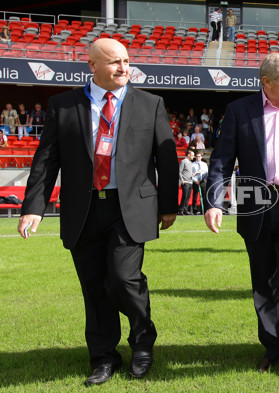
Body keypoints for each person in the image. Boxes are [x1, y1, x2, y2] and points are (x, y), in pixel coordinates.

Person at [17, 38, 179, 386]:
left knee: (123, 278)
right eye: (114, 62)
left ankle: (142, 342)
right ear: (92, 66)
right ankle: (103, 357)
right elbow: (46, 160)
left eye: (126, 60)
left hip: (130, 208)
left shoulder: (150, 104)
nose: (124, 68)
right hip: (83, 209)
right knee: (93, 286)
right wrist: (34, 207)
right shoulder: (62, 106)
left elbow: (166, 160)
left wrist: (168, 206)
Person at [204, 52, 279, 377]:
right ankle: (272, 345)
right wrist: (215, 201)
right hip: (253, 202)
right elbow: (222, 160)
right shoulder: (239, 111)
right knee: (263, 281)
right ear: (266, 82)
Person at [191, 149, 208, 215]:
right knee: (195, 196)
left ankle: (202, 210)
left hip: (202, 181)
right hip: (195, 181)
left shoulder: (204, 164)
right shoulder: (193, 164)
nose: (197, 157)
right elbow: (191, 173)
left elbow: (206, 172)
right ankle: (194, 210)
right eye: (197, 156)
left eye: (199, 156)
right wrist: (195, 180)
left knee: (204, 196)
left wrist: (203, 179)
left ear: (201, 157)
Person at [178, 148, 194, 215]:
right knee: (184, 196)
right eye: (192, 155)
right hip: (185, 181)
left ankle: (185, 209)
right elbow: (179, 171)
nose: (193, 157)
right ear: (189, 155)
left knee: (188, 196)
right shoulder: (183, 161)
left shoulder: (190, 163)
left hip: (190, 181)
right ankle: (181, 209)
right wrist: (182, 179)